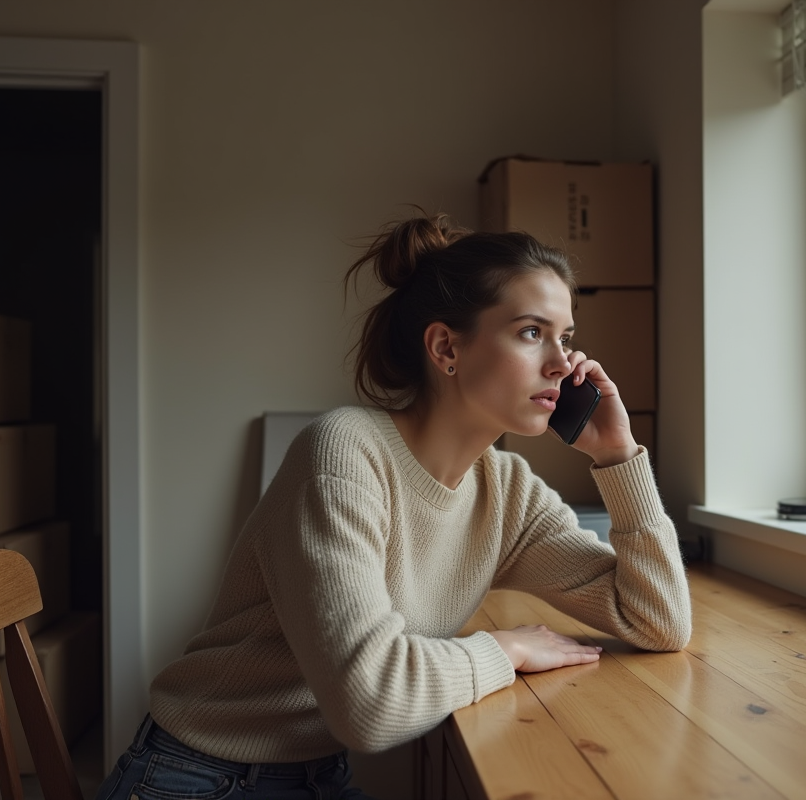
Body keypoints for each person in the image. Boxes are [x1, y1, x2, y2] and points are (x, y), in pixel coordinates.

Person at [93, 211, 691, 800]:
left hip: (318, 774)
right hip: (194, 778)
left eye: (566, 337)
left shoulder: (507, 490)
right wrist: (504, 648)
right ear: (445, 347)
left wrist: (618, 455)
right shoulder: (343, 453)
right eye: (532, 332)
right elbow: (371, 705)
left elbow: (656, 620)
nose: (564, 364)